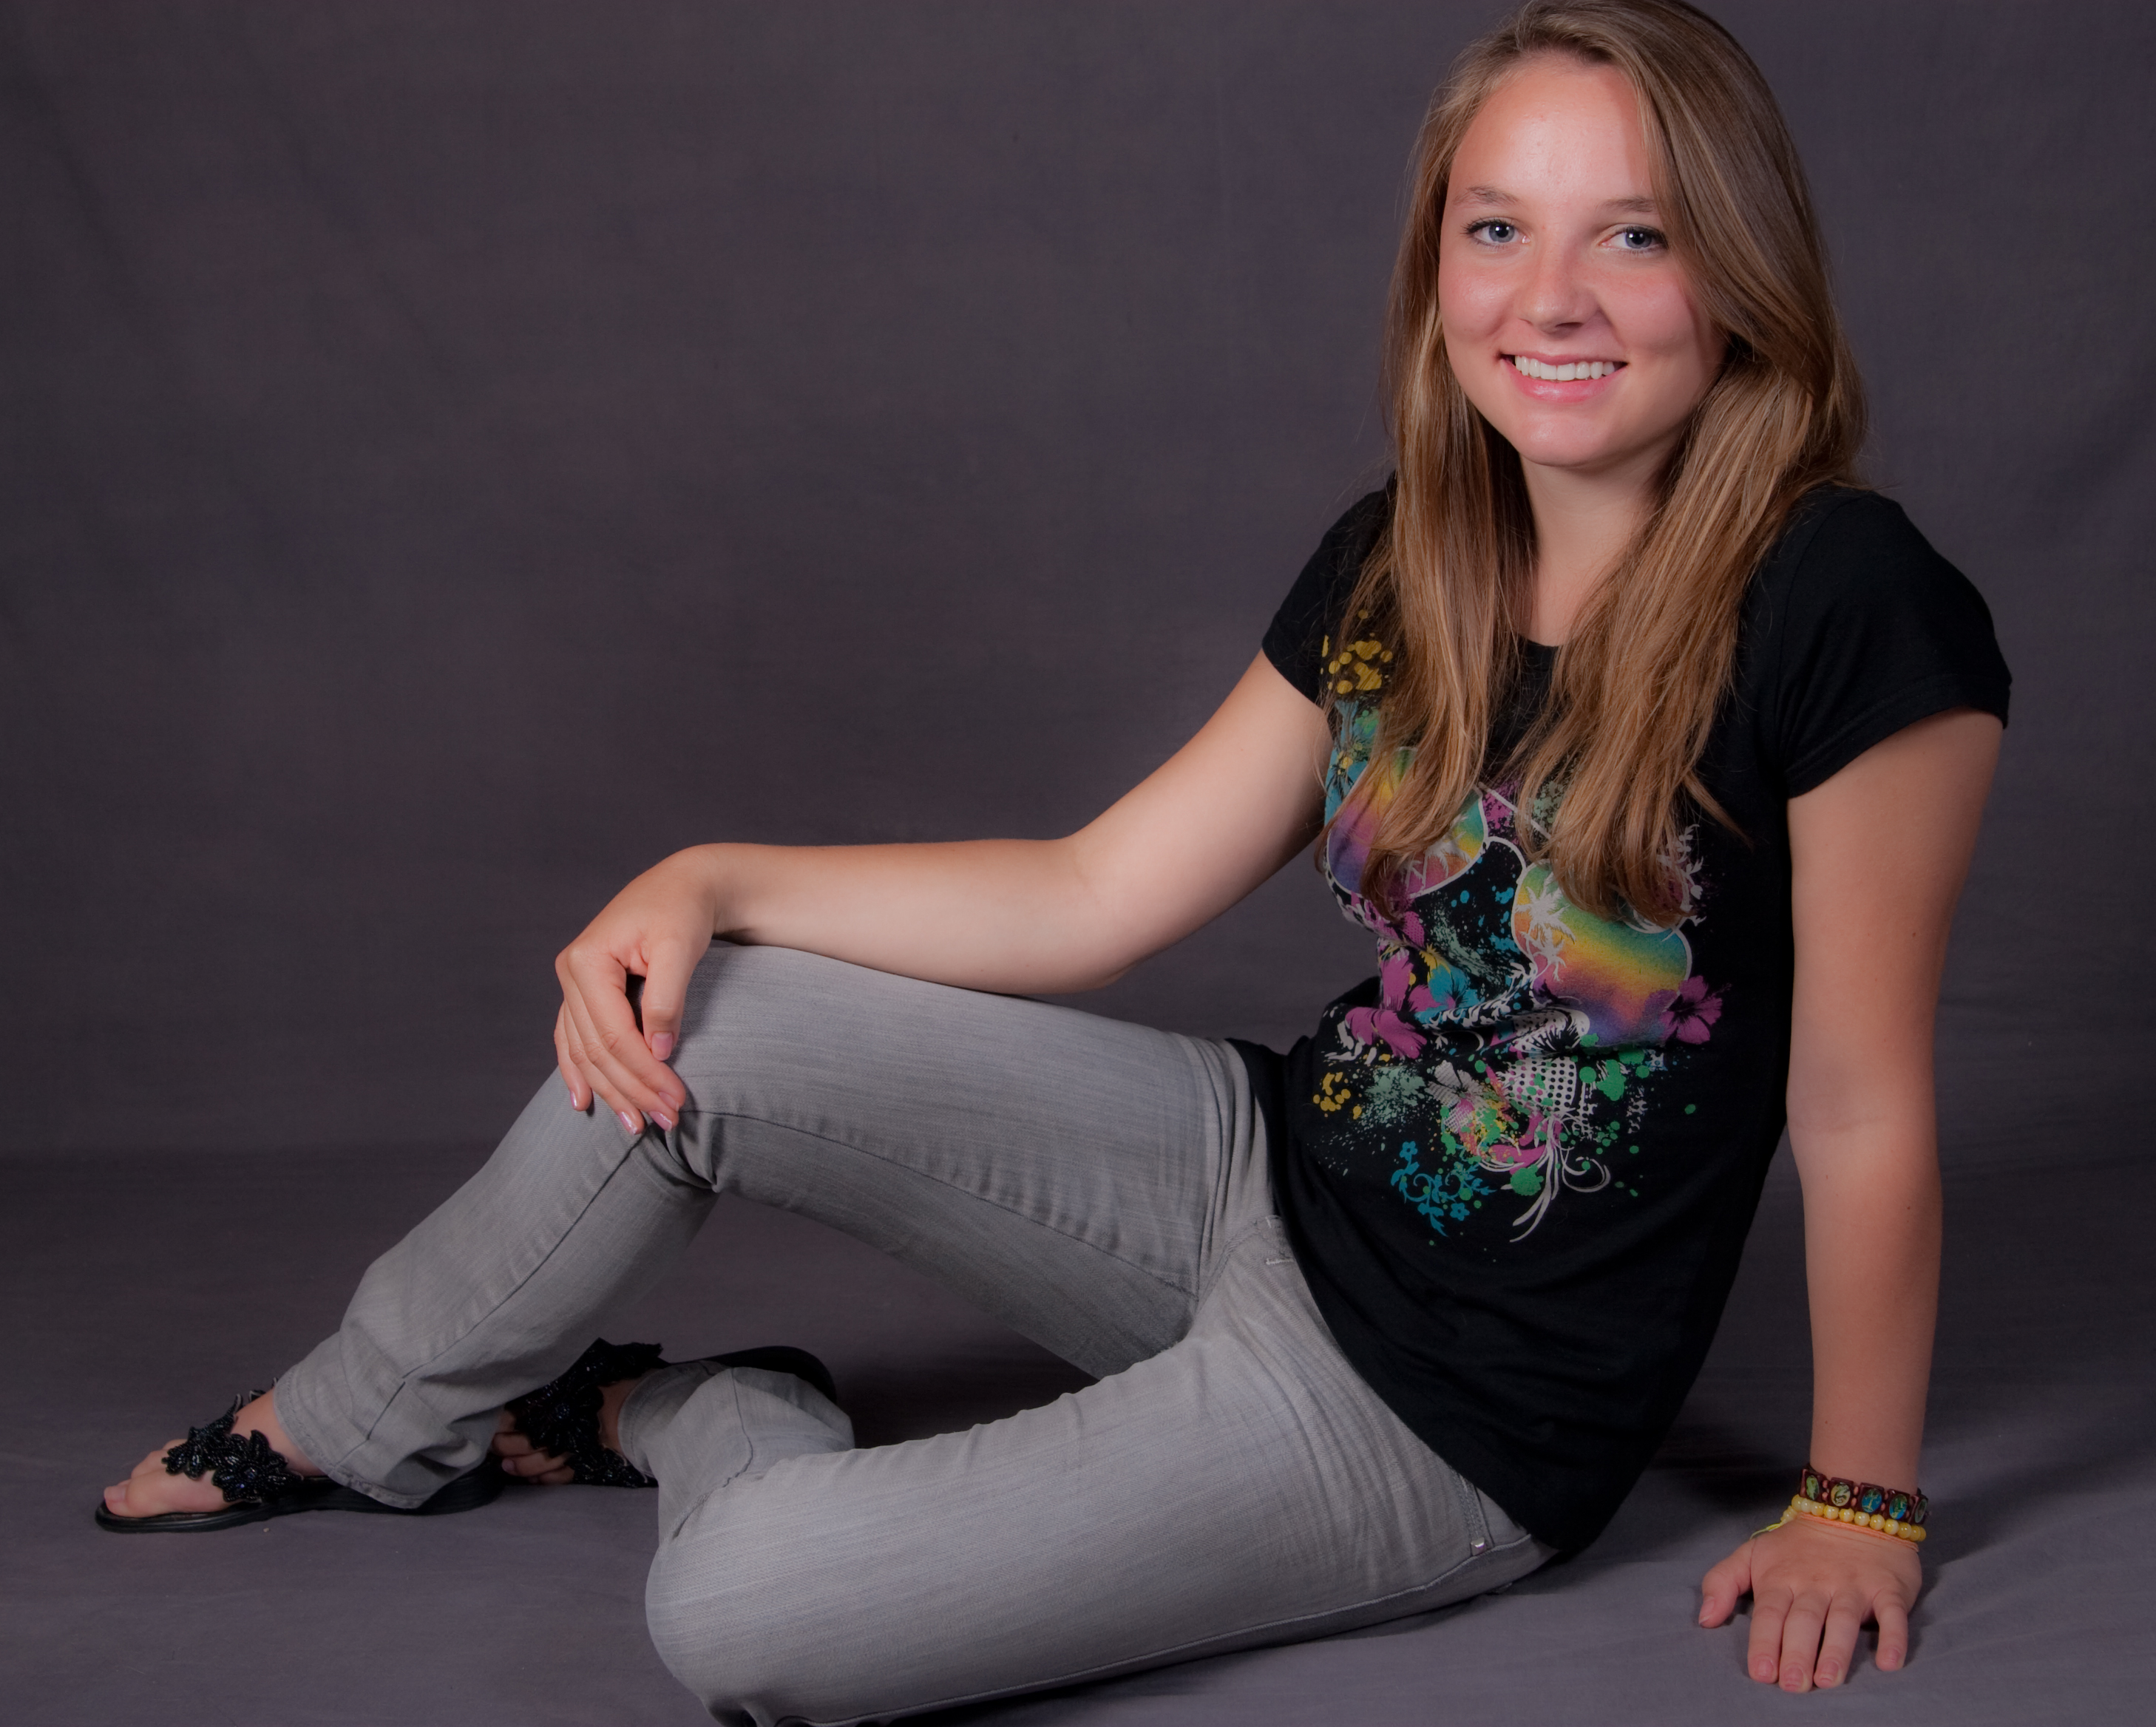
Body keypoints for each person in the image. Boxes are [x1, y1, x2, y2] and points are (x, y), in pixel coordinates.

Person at [97, 0, 2010, 1717]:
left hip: (1442, 1414)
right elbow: (1096, 890)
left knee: (747, 1619)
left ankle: (707, 1407)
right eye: (1497, 228)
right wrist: (709, 875)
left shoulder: (1843, 599)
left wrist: (1858, 1501)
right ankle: (361, 1418)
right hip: (1259, 1178)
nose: (1552, 296)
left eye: (1635, 235)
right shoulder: (1401, 554)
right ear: (1438, 266)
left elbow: (1853, 1103)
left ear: (1737, 268)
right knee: (713, 1017)